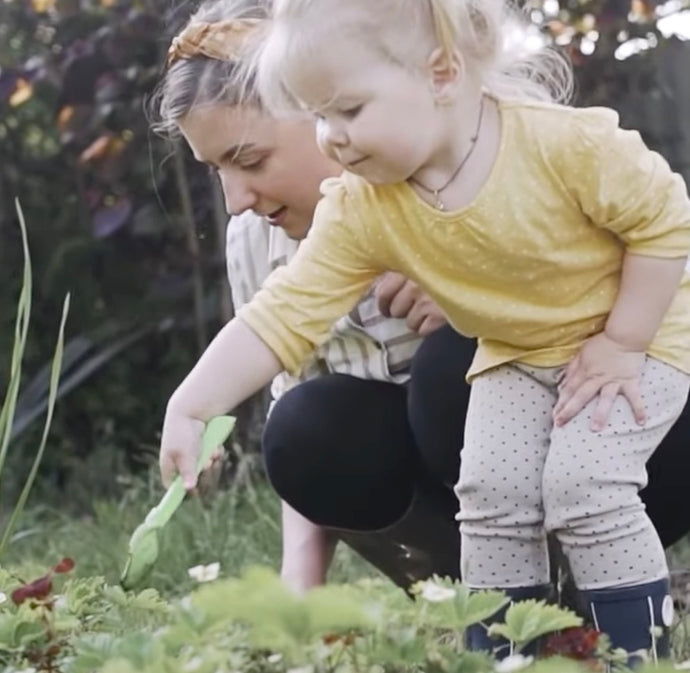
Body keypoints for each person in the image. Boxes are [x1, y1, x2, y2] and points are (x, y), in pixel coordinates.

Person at [156, 0, 690, 659]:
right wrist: (193, 402)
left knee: (583, 481)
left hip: (632, 345)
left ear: (440, 73)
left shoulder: (556, 143)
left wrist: (623, 341)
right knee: (488, 494)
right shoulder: (360, 206)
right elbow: (282, 312)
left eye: (345, 112)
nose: (333, 137)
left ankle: (638, 649)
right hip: (519, 355)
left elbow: (665, 219)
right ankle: (513, 646)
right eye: (321, 117)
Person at [153, 0, 470, 595]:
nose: (235, 199)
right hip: (451, 507)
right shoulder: (257, 235)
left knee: (451, 365)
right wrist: (297, 595)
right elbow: (293, 389)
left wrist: (471, 296)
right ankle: (474, 585)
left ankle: (589, 570)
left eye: (249, 159)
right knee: (303, 425)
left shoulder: (466, 176)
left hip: (610, 449)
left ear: (326, 108)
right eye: (215, 169)